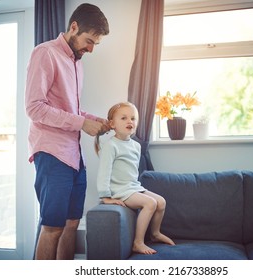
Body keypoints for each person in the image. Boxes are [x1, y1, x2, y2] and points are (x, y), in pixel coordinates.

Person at [25, 3, 110, 260]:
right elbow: (35, 108)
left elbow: (71, 109)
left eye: (96, 43)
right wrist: (81, 123)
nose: (91, 49)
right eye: (88, 41)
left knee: (72, 224)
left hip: (74, 156)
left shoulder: (76, 62)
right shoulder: (45, 53)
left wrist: (95, 120)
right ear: (73, 27)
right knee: (52, 227)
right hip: (51, 154)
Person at [95, 102, 175, 255]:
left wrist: (137, 189)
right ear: (112, 124)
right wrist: (105, 196)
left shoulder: (136, 146)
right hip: (120, 189)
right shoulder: (111, 146)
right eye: (124, 118)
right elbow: (104, 173)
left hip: (133, 187)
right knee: (150, 204)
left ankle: (155, 233)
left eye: (133, 118)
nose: (129, 121)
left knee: (161, 202)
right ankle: (138, 242)